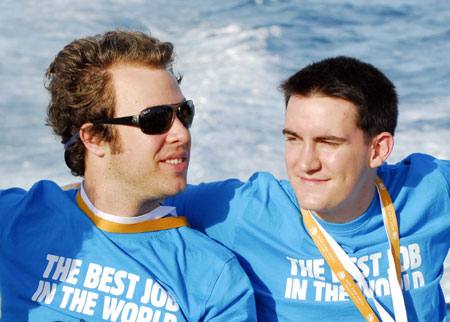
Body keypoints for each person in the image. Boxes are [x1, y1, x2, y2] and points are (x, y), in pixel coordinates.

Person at [165, 56, 450, 321]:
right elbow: (134, 202)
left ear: (378, 149)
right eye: (294, 139)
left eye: (328, 142)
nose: (305, 163)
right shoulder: (245, 213)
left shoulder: (430, 187)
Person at [0, 30, 257, 321]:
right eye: (155, 119)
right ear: (94, 138)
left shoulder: (213, 279)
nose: (182, 134)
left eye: (183, 114)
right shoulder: (14, 220)